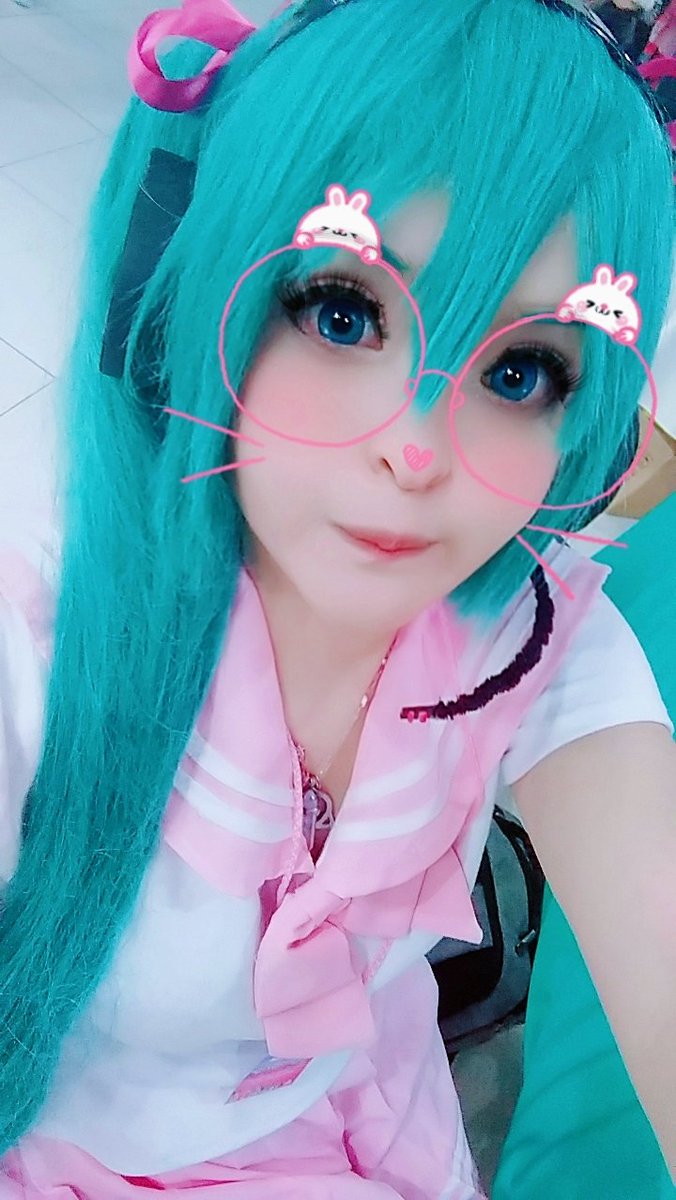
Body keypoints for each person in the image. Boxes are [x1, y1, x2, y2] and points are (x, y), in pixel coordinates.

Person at [0, 0, 674, 1196]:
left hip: (380, 1120)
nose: (417, 449)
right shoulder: (42, 636)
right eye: (345, 313)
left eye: (520, 371)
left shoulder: (532, 641)